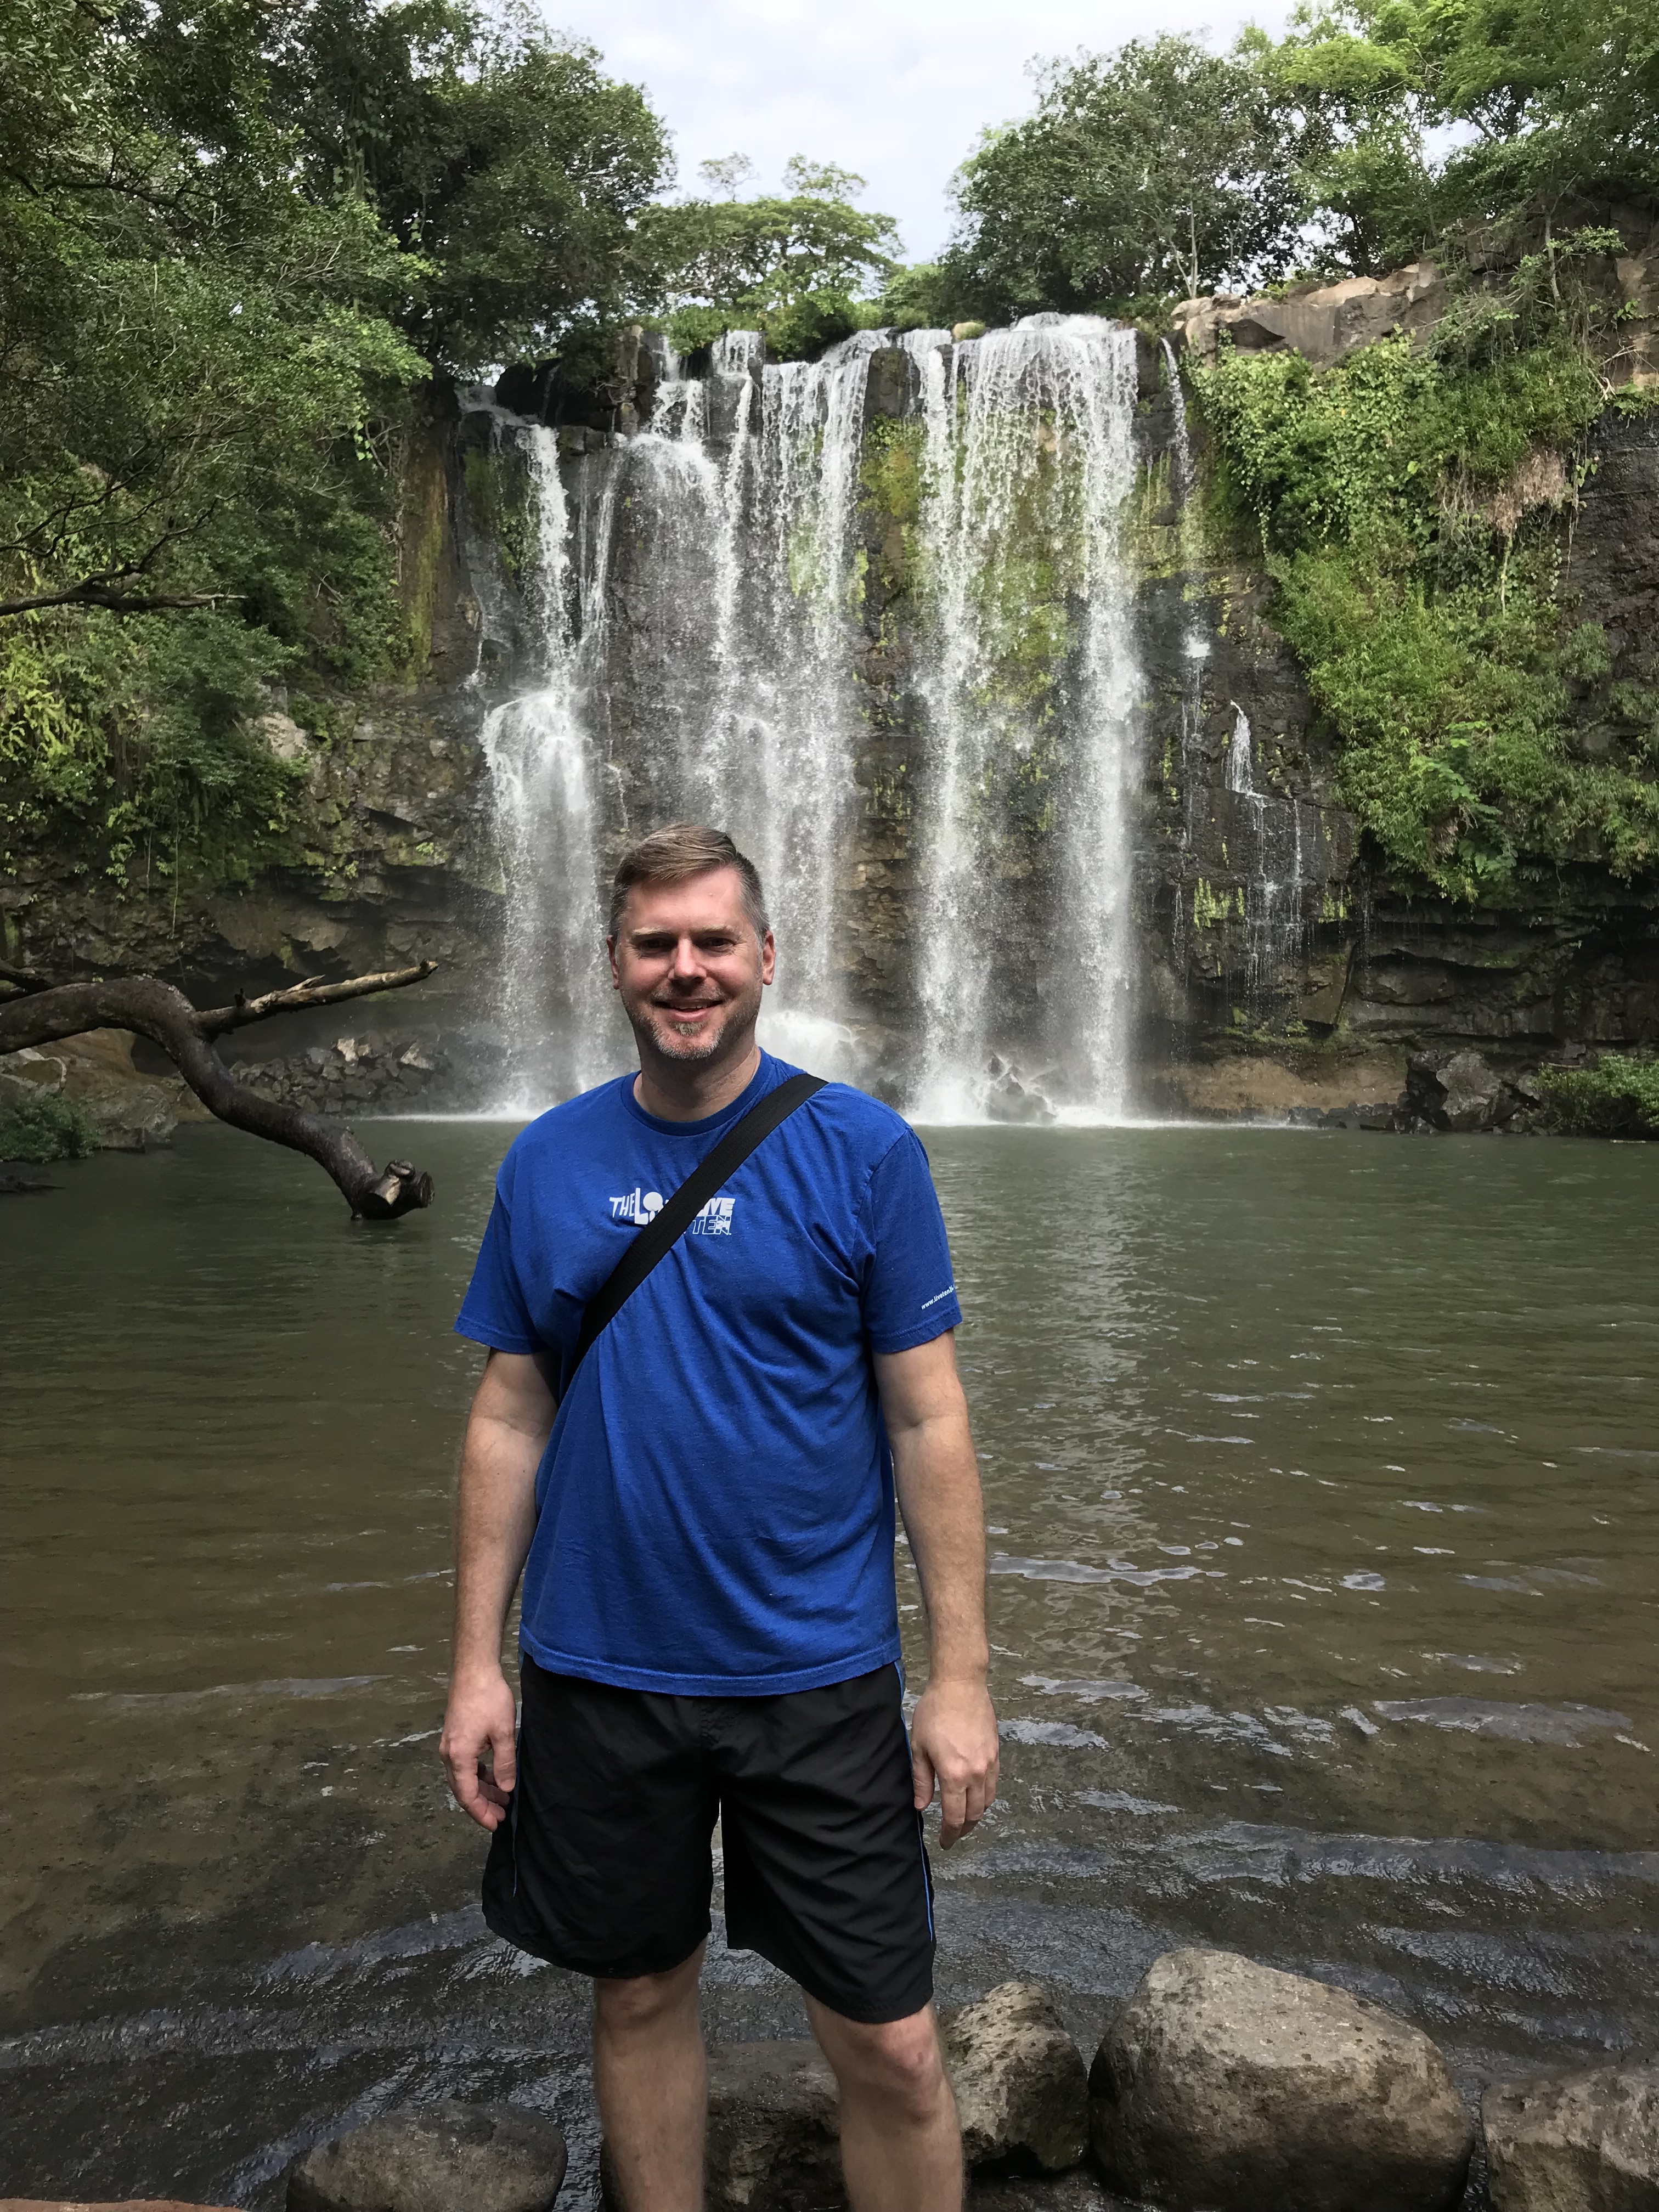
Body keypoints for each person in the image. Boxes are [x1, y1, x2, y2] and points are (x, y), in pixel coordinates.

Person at [440, 822, 999, 2212]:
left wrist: (961, 1680)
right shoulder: (548, 1160)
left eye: (712, 942)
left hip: (816, 1672)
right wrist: (474, 1668)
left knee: (894, 2043)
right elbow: (509, 1417)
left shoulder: (865, 1152)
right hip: (600, 1668)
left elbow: (929, 1421)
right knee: (636, 1993)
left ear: (765, 956)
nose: (684, 969)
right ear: (615, 963)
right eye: (655, 945)